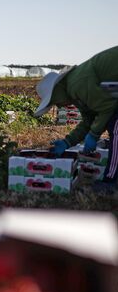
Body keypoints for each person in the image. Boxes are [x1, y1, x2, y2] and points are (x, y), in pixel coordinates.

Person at [34, 46, 118, 193]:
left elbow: (107, 107)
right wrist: (67, 142)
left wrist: (94, 135)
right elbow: (89, 121)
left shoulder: (77, 84)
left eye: (54, 101)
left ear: (58, 90)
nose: (58, 105)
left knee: (115, 126)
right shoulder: (75, 90)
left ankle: (112, 182)